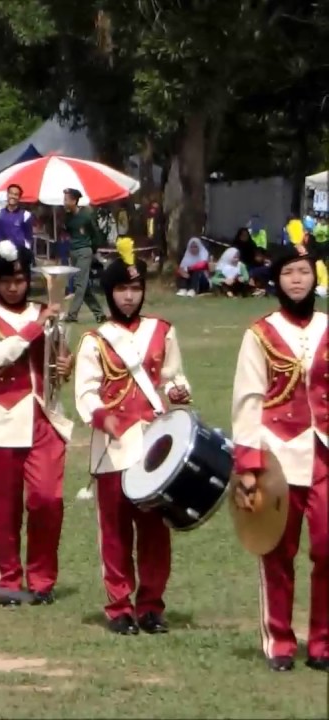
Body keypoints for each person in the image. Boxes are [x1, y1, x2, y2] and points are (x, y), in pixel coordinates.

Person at [74, 238, 192, 636]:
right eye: (122, 290)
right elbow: (86, 392)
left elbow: (175, 376)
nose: (129, 296)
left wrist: (178, 391)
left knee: (155, 532)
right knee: (115, 531)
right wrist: (102, 417)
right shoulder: (95, 340)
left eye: (135, 288)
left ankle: (151, 607)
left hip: (155, 444)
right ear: (109, 293)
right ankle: (119, 606)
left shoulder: (163, 331)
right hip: (113, 448)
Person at [230, 238, 327, 674]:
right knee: (278, 550)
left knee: (327, 548)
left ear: (315, 277)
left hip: (325, 453)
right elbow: (247, 401)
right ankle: (280, 641)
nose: (297, 280)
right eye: (288, 273)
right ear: (276, 279)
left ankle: (322, 642)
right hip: (278, 455)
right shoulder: (260, 333)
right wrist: (248, 467)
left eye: (304, 272)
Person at [0, 240, 73, 606]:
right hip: (2, 421)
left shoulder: (47, 311)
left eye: (20, 280)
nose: (14, 287)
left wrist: (66, 363)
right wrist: (35, 326)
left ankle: (42, 579)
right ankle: (8, 582)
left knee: (48, 500)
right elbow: (0, 353)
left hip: (45, 418)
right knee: (5, 507)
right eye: (6, 281)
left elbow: (60, 357)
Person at [62, 189, 108, 323]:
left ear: (74, 200)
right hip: (73, 252)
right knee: (83, 286)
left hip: (84, 251)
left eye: (66, 199)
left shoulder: (86, 215)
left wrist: (93, 249)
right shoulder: (67, 217)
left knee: (79, 285)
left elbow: (95, 234)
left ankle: (72, 315)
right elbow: (68, 231)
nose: (64, 202)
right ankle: (99, 314)